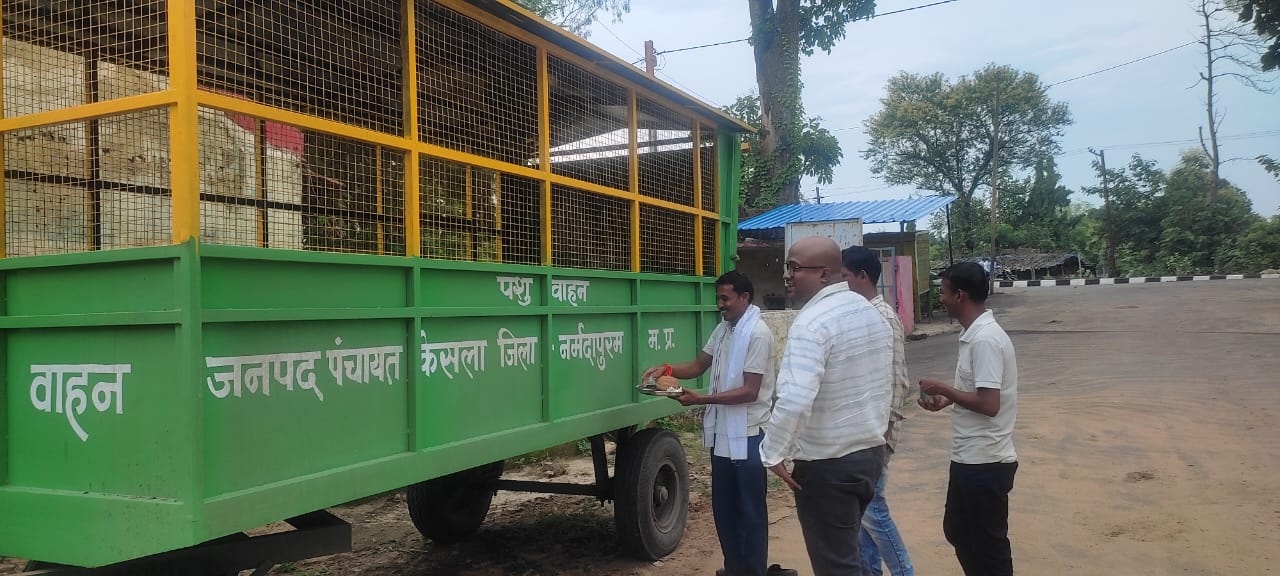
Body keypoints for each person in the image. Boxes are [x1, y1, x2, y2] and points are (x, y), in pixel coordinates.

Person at [760, 237, 894, 576]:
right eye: (787, 267)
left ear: (824, 275)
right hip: (869, 457)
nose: (787, 275)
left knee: (837, 566)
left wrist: (773, 452)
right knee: (850, 556)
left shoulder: (812, 322)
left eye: (794, 268)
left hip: (828, 465)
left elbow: (794, 399)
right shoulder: (871, 313)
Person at [641, 270, 785, 576]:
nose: (720, 304)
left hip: (748, 435)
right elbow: (697, 365)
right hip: (722, 436)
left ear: (745, 297)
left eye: (725, 298)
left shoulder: (757, 334)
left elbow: (750, 391)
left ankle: (754, 571)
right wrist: (665, 369)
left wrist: (700, 399)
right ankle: (734, 569)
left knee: (751, 513)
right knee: (724, 511)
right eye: (718, 298)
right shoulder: (723, 330)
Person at [918, 262, 1019, 576]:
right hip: (971, 458)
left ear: (960, 295)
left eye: (944, 292)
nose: (942, 299)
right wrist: (946, 399)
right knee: (959, 531)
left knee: (987, 547)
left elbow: (989, 404)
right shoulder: (973, 335)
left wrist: (943, 388)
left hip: (985, 461)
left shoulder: (985, 340)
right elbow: (977, 392)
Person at [842, 246, 915, 576]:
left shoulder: (882, 317)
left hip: (876, 433)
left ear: (862, 276)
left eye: (844, 277)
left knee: (873, 511)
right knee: (862, 514)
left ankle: (904, 571)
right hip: (863, 433)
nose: (841, 284)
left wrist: (881, 436)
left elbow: (896, 382)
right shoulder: (861, 314)